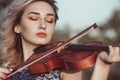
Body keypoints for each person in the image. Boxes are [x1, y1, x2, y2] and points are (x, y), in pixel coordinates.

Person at [0, 0, 120, 80]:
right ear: (17, 27)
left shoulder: (67, 69)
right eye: (34, 18)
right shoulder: (8, 73)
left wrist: (103, 65)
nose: (43, 25)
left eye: (49, 20)